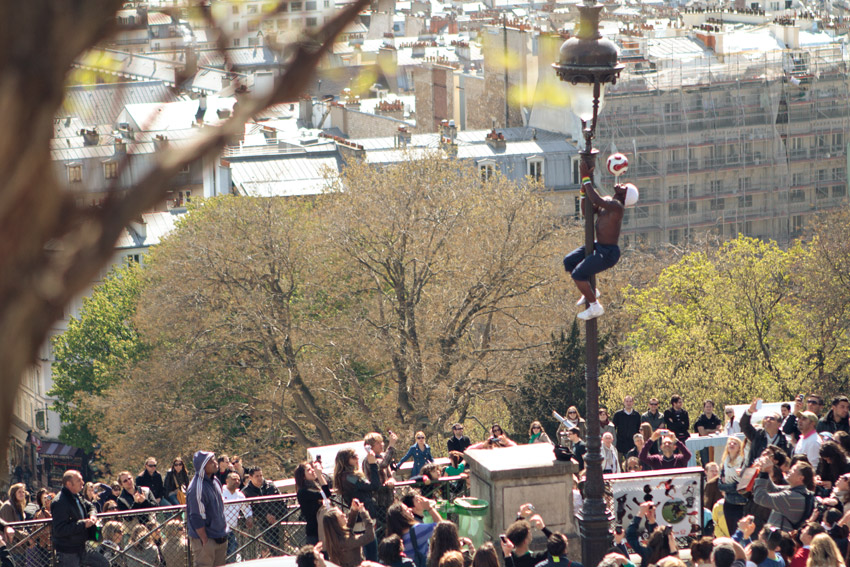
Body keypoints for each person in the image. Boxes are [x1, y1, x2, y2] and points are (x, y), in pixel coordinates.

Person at [564, 161, 637, 321]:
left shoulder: (617, 207)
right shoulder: (609, 204)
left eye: (624, 187)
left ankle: (595, 306)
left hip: (608, 252)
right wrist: (584, 190)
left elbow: (596, 199)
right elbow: (587, 210)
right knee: (569, 261)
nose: (620, 185)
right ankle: (590, 291)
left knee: (578, 274)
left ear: (625, 196)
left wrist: (586, 178)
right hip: (599, 246)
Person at [51, 469, 109, 567]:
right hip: (68, 551)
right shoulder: (60, 502)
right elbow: (59, 529)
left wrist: (92, 515)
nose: (82, 483)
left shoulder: (76, 496)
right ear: (69, 484)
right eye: (79, 480)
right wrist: (83, 524)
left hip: (82, 547)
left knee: (104, 563)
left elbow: (90, 506)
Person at [186, 451, 228, 567]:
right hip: (206, 539)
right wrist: (204, 540)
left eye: (214, 460)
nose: (215, 463)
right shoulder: (197, 487)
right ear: (203, 466)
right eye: (211, 461)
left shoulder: (215, 481)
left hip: (220, 536)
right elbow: (196, 516)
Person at [752, 455, 815, 531]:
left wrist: (764, 473)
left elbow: (760, 497)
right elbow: (773, 489)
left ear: (801, 478)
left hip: (780, 539)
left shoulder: (792, 497)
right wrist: (765, 470)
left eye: (793, 470)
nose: (789, 470)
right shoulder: (798, 492)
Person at [385, 501, 442, 567]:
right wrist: (429, 508)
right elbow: (441, 526)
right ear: (402, 516)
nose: (410, 509)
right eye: (406, 509)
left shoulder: (392, 538)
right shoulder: (417, 529)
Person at [321, 500, 375, 567]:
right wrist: (363, 512)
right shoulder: (346, 541)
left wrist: (354, 510)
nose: (344, 515)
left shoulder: (333, 539)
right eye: (341, 516)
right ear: (336, 524)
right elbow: (370, 536)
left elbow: (348, 527)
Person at [241, 466, 281, 555]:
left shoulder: (270, 487)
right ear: (250, 477)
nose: (260, 478)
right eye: (257, 476)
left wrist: (277, 517)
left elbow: (281, 503)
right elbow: (248, 510)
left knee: (282, 547)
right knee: (272, 549)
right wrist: (265, 516)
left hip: (277, 522)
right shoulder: (246, 492)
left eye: (261, 475)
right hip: (260, 525)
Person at [625, 502, 678, 567]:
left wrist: (640, 513)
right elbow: (659, 538)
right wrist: (652, 520)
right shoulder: (673, 555)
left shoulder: (648, 553)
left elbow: (630, 535)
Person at [741, 399, 792, 466]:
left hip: (775, 474)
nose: (768, 420)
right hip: (757, 473)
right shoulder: (758, 435)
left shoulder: (785, 441)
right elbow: (744, 425)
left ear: (779, 424)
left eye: (772, 419)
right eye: (766, 418)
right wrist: (750, 411)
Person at [295, 461, 330, 546]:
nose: (313, 471)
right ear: (303, 476)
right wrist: (319, 475)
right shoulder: (304, 491)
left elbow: (327, 490)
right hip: (315, 532)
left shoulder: (315, 486)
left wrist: (320, 474)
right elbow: (326, 493)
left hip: (323, 528)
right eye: (309, 470)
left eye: (312, 469)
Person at [718, 436, 748, 530]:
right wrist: (733, 486)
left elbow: (742, 486)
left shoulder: (743, 462)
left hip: (741, 503)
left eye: (735, 443)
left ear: (739, 447)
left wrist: (729, 487)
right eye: (730, 443)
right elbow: (720, 486)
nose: (731, 444)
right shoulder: (724, 463)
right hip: (729, 502)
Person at [222, 471, 252, 563]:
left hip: (231, 531)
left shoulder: (240, 495)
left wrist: (249, 517)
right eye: (234, 479)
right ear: (227, 480)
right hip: (218, 530)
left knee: (232, 555)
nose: (237, 481)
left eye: (238, 479)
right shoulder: (220, 492)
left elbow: (247, 510)